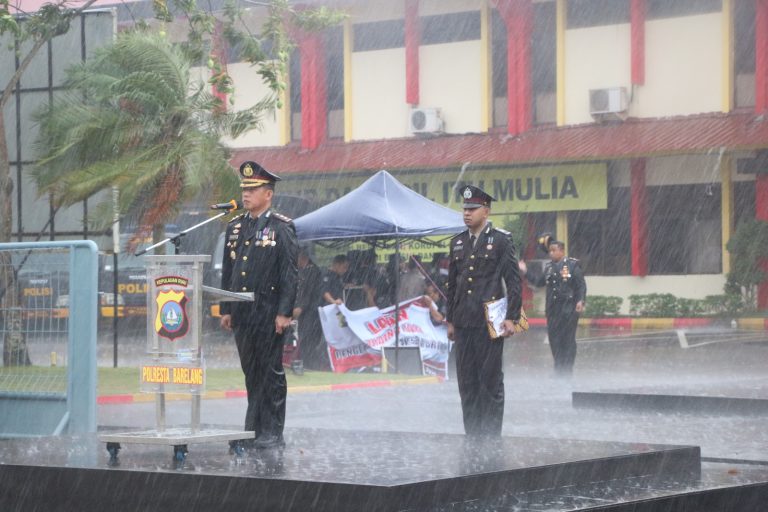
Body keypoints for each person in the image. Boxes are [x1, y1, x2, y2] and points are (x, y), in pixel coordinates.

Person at [220, 160, 298, 449]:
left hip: (268, 312)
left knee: (270, 372)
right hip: (242, 312)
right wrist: (226, 308)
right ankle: (252, 430)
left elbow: (289, 274)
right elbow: (228, 271)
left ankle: (273, 432)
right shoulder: (236, 226)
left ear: (268, 194)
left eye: (252, 189)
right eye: (244, 189)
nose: (246, 194)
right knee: (251, 372)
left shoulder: (281, 227)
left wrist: (284, 313)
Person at [446, 185, 522, 438]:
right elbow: (452, 284)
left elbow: (513, 281)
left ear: (486, 211)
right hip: (463, 322)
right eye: (464, 209)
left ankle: (490, 439)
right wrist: (450, 320)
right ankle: (472, 436)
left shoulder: (500, 240)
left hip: (490, 322)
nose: (467, 213)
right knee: (467, 382)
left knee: (489, 381)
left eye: (472, 209)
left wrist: (512, 317)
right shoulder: (457, 242)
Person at [528, 236, 586, 377]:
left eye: (554, 250)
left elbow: (580, 285)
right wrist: (525, 272)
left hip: (568, 309)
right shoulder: (549, 268)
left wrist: (580, 301)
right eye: (550, 251)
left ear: (562, 251)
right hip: (553, 310)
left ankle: (567, 370)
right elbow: (538, 282)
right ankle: (559, 368)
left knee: (568, 340)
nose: (551, 253)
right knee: (554, 340)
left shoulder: (572, 265)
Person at [293, 247, 328, 370]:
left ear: (303, 258)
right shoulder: (308, 271)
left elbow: (307, 292)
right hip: (311, 311)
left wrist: (300, 307)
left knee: (308, 339)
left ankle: (310, 364)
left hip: (310, 312)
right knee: (308, 339)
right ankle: (309, 363)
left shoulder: (311, 272)